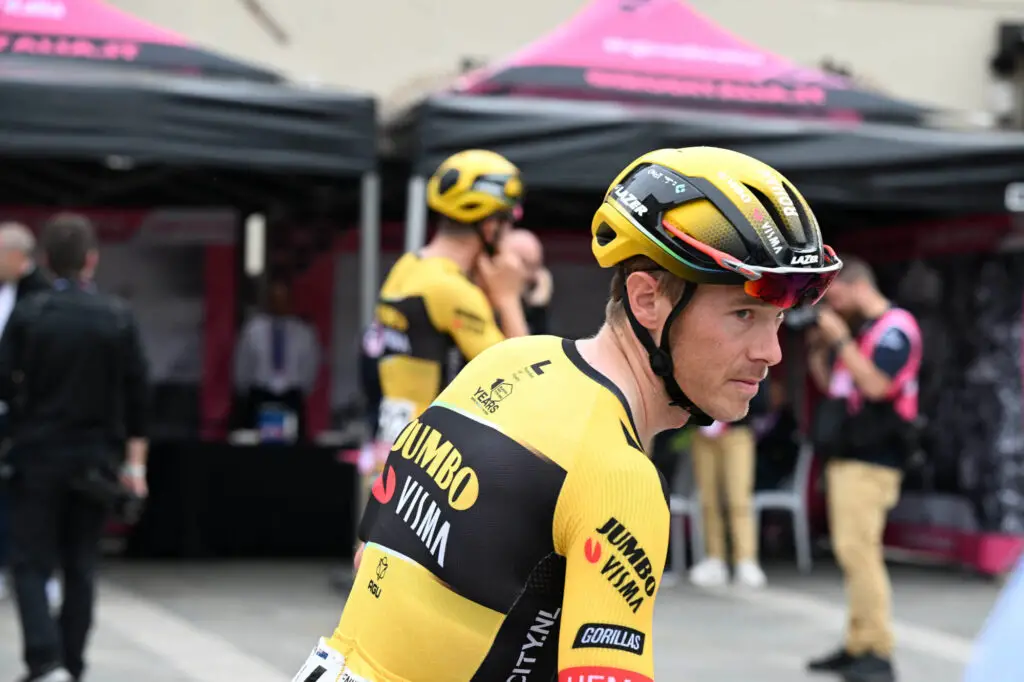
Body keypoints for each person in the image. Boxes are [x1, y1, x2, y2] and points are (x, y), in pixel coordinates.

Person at [290, 146, 842, 682]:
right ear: (647, 299)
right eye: (744, 314)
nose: (771, 353)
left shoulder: (507, 359)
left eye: (777, 321)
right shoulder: (620, 479)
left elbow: (374, 555)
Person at [350, 149, 530, 571]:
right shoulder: (451, 290)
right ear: (489, 224)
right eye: (509, 220)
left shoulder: (409, 267)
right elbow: (523, 374)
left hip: (392, 445)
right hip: (430, 467)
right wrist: (508, 298)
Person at [0, 213, 150, 682]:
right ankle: (71, 662)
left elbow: (4, 384)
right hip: (95, 460)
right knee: (81, 564)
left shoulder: (30, 314)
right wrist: (136, 467)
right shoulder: (117, 316)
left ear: (45, 259)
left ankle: (45, 660)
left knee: (29, 562)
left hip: (37, 455)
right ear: (92, 260)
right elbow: (138, 399)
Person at [805, 257, 922, 682]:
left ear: (857, 286)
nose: (832, 306)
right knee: (850, 552)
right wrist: (820, 348)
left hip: (874, 458)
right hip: (849, 454)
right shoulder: (862, 331)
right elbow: (834, 387)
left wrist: (840, 341)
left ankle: (877, 650)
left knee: (861, 553)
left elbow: (876, 385)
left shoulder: (895, 329)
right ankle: (857, 644)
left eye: (835, 295)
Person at [0, 222, 54, 604]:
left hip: (31, 413)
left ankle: (39, 569)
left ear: (17, 256)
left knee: (33, 494)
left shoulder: (42, 298)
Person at [688, 376, 771, 589]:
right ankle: (715, 558)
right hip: (704, 433)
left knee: (739, 498)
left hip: (737, 432)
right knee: (708, 499)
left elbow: (762, 398)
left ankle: (746, 559)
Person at [232, 277, 321, 442]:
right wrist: (248, 392)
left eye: (283, 298)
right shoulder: (253, 330)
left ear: (290, 301)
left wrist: (297, 391)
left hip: (291, 396)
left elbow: (311, 367)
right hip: (260, 394)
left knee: (293, 443)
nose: (278, 303)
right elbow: (242, 365)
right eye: (275, 298)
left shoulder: (303, 332)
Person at [501, 227, 554, 334]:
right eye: (526, 265)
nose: (532, 276)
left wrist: (538, 307)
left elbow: (537, 340)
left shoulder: (536, 291)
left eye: (536, 266)